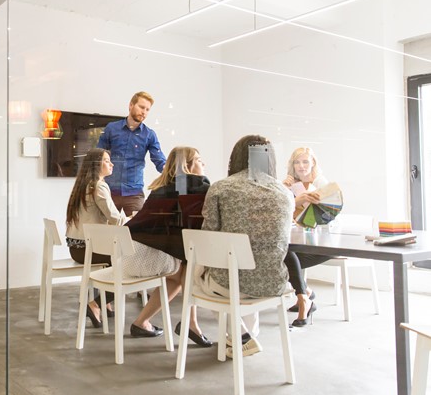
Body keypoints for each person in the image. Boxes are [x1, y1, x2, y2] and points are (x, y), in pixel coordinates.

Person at [195, 135, 294, 357]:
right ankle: (243, 339)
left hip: (230, 282)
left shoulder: (221, 188)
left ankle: (241, 337)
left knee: (200, 277)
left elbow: (208, 237)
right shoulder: (286, 193)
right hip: (273, 282)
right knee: (244, 275)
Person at [125, 146, 212, 345]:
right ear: (187, 165)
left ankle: (142, 322)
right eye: (199, 159)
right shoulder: (197, 184)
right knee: (187, 273)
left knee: (180, 275)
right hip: (145, 258)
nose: (203, 163)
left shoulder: (161, 188)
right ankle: (190, 324)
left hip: (128, 255)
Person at [66, 148, 127, 328]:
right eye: (107, 160)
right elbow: (115, 218)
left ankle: (105, 304)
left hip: (77, 249)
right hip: (87, 250)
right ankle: (95, 305)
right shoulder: (98, 186)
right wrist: (134, 219)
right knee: (128, 265)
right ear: (96, 165)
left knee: (113, 260)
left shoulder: (83, 185)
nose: (111, 164)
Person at [282, 147, 332, 327]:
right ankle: (305, 293)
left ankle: (304, 298)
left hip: (321, 241)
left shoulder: (320, 183)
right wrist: (283, 190)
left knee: (282, 258)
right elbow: (282, 215)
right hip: (296, 239)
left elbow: (328, 214)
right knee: (280, 254)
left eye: (305, 162)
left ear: (313, 164)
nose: (301, 166)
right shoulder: (289, 185)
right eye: (297, 162)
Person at [97, 91, 166, 215]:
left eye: (147, 109)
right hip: (109, 190)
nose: (144, 112)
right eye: (141, 107)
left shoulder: (149, 135)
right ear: (131, 105)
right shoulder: (111, 129)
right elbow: (98, 156)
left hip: (134, 193)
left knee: (138, 231)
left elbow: (159, 160)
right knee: (105, 230)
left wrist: (171, 172)